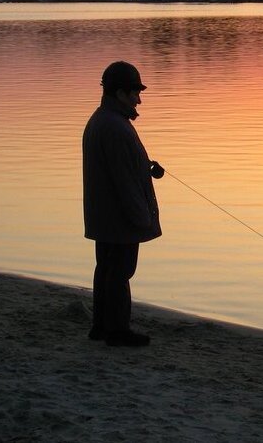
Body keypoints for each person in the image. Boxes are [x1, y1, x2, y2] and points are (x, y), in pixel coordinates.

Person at [82, 61, 165, 347]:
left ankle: (101, 327)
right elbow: (122, 180)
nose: (139, 98)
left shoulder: (104, 120)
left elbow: (122, 168)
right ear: (119, 93)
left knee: (106, 268)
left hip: (104, 215)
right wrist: (141, 218)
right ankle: (116, 331)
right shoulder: (114, 127)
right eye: (134, 92)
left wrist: (146, 166)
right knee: (119, 272)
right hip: (118, 217)